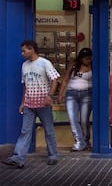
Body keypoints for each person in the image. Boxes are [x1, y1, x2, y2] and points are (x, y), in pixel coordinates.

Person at [2, 40, 60, 168]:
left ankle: (53, 155)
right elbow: (25, 85)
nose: (22, 53)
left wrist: (49, 96)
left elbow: (55, 79)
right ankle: (18, 158)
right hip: (29, 104)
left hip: (43, 103)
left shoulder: (44, 63)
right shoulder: (24, 65)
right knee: (25, 131)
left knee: (49, 130)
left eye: (24, 50)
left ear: (32, 49)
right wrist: (22, 102)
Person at [58, 48, 93, 151]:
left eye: (90, 58)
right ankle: (79, 142)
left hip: (87, 94)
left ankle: (86, 141)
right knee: (73, 119)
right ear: (81, 58)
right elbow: (65, 79)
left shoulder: (94, 66)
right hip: (71, 94)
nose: (88, 60)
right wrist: (60, 94)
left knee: (83, 120)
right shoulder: (73, 65)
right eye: (86, 58)